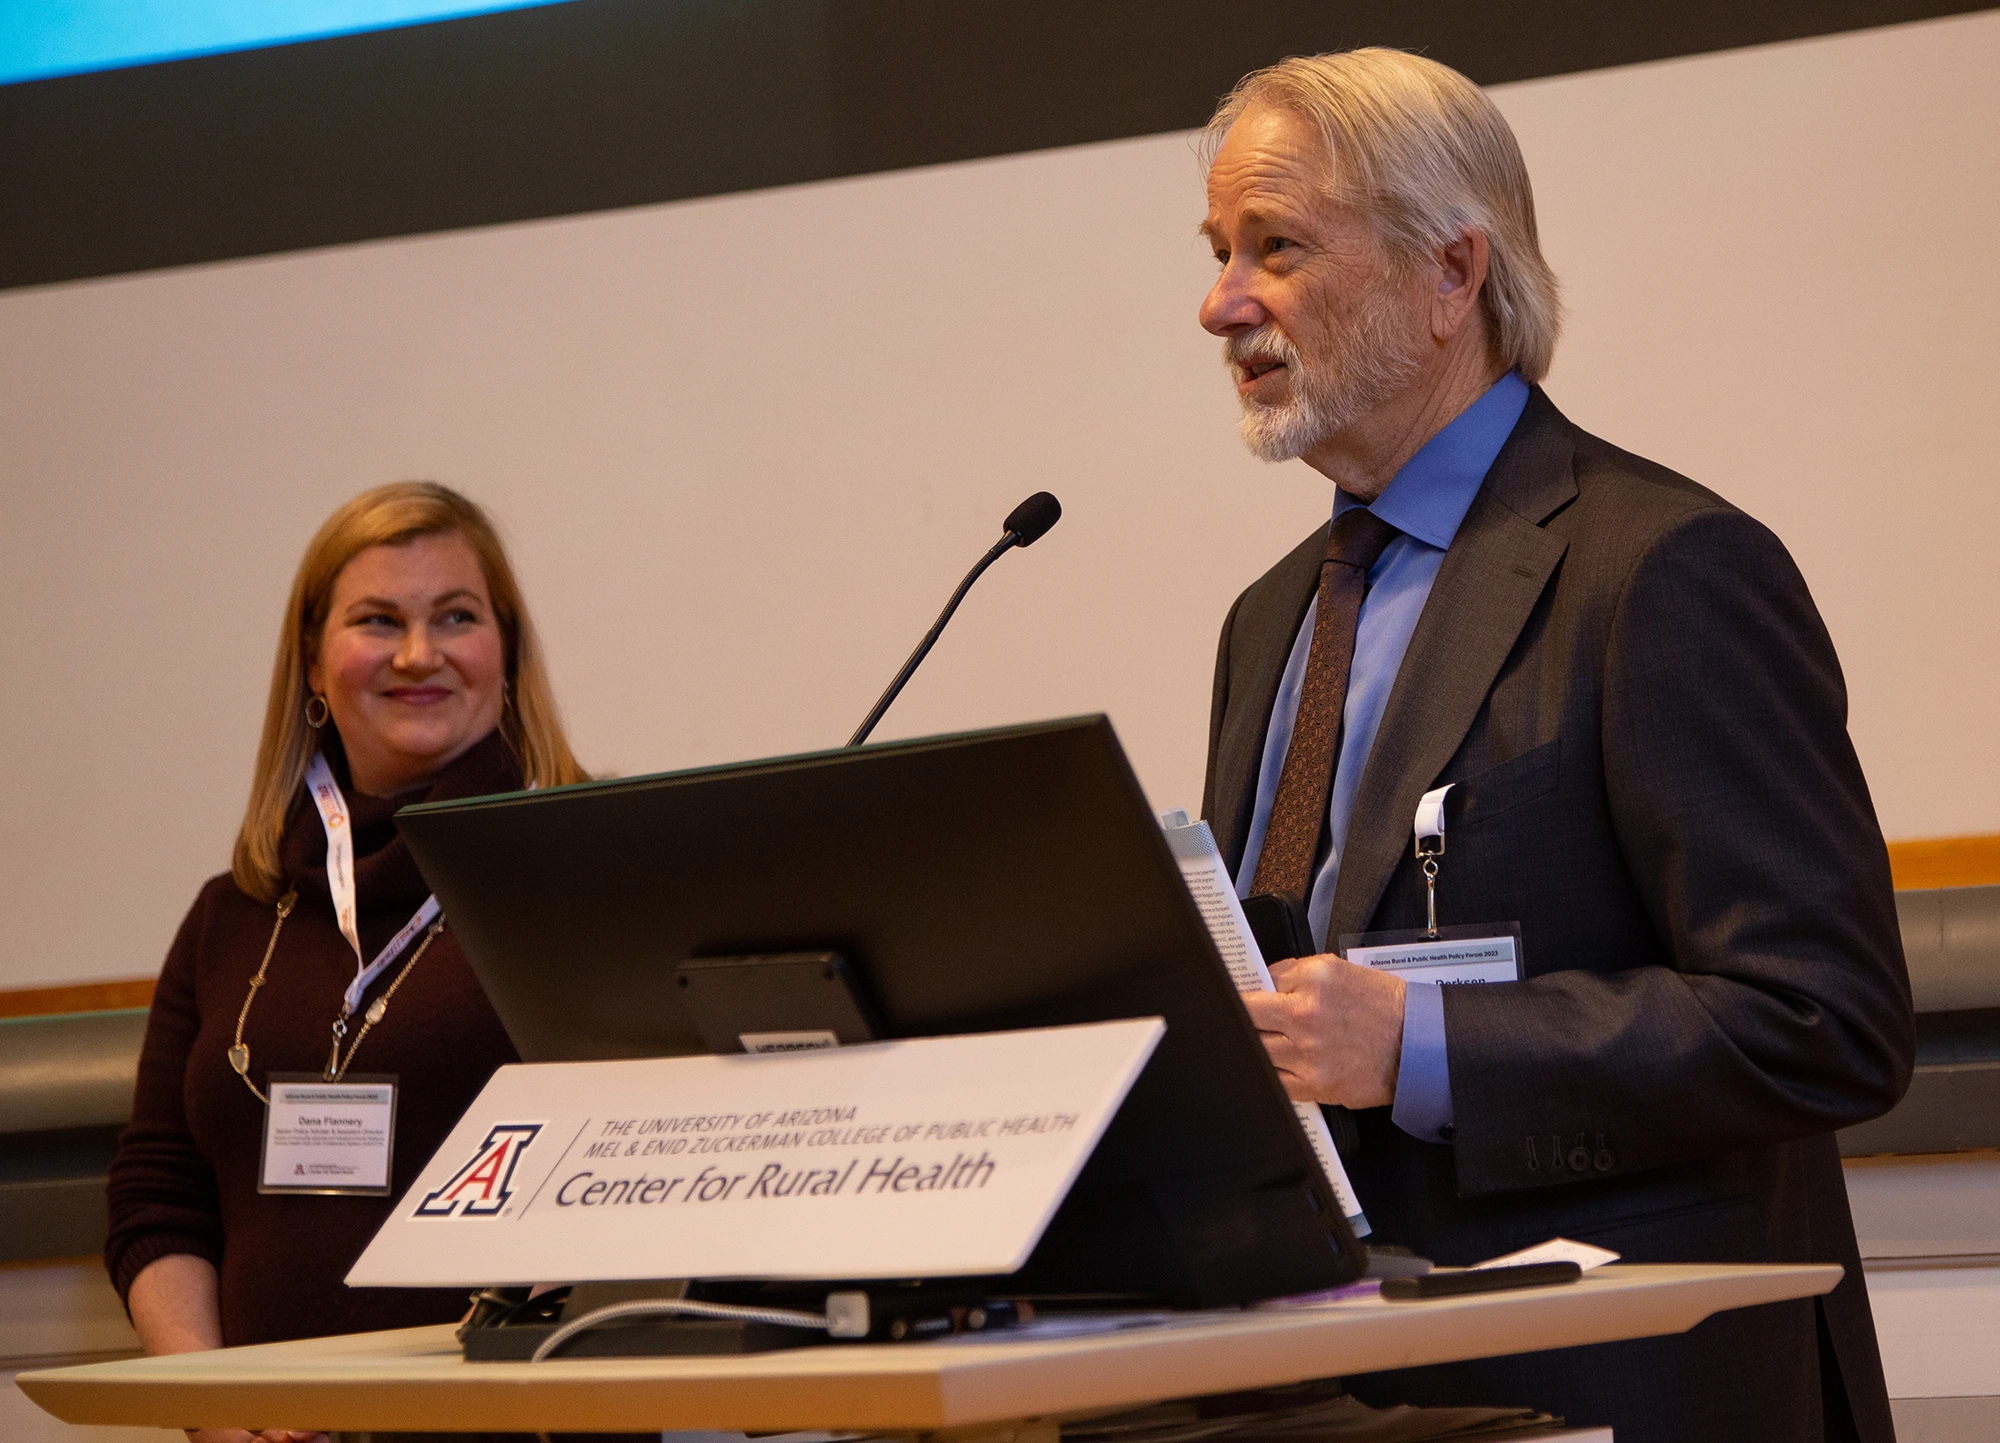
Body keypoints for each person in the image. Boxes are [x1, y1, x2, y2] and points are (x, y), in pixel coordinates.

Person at [1194, 49, 1913, 1443]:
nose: (1221, 302)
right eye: (1222, 252)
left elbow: (1824, 1021)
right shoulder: (1267, 619)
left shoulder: (1665, 569)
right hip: (1324, 1383)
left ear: (1451, 273)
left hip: (1620, 1381)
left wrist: (1427, 1041)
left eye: (1275, 248)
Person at [106, 482, 588, 1443]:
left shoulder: (587, 874)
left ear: (506, 655)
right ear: (314, 667)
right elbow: (160, 1197)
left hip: (517, 1425)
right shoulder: (230, 914)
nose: (420, 653)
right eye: (378, 620)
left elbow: (651, 1167)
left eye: (456, 615)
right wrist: (214, 1409)